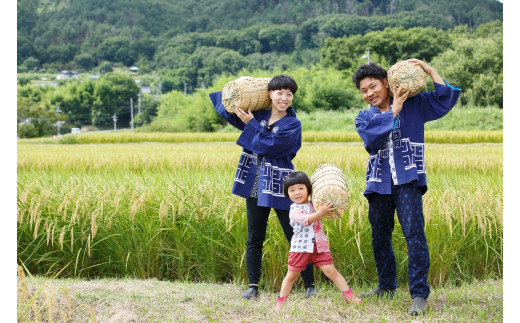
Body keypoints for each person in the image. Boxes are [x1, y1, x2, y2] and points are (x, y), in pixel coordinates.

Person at [352, 59, 461, 316]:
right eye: (364, 91)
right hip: (379, 183)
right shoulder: (363, 117)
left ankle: (419, 294)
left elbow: (445, 99)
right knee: (379, 236)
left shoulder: (416, 104)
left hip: (408, 180)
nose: (369, 94)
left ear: (386, 83)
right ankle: (386, 286)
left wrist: (430, 70)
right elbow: (371, 140)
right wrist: (393, 112)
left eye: (373, 87)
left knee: (414, 235)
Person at [209, 75, 317, 300]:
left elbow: (271, 146)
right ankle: (253, 286)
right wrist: (238, 87)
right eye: (279, 93)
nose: (284, 98)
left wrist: (252, 126)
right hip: (254, 185)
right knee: (255, 236)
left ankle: (310, 285)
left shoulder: (292, 124)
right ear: (270, 94)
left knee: (296, 234)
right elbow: (227, 109)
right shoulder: (257, 115)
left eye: (289, 94)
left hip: (282, 186)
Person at [274, 171, 362, 310]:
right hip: (300, 248)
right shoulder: (294, 209)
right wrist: (320, 212)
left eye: (301, 188)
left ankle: (349, 296)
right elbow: (307, 219)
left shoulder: (314, 204)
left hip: (319, 247)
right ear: (287, 194)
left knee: (331, 271)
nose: (297, 193)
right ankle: (281, 302)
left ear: (308, 189)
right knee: (291, 276)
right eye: (292, 190)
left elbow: (327, 208)